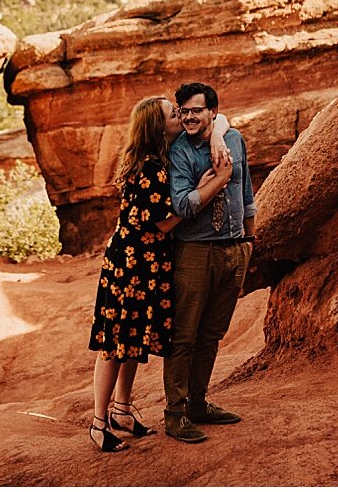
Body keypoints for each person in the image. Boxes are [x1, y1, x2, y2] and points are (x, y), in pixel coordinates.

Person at [86, 96, 233, 453]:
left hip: (144, 263)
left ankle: (122, 410)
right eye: (173, 113)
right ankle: (98, 423)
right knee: (114, 344)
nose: (180, 116)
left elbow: (222, 117)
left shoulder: (157, 159)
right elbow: (165, 223)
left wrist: (215, 139)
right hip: (133, 265)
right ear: (157, 126)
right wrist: (204, 190)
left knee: (131, 341)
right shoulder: (150, 168)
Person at [162, 81, 254, 444]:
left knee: (212, 334)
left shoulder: (232, 139)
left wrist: (250, 240)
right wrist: (220, 178)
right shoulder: (180, 152)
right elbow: (182, 205)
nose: (188, 117)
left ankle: (198, 403)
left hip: (234, 248)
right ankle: (175, 412)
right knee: (184, 335)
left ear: (213, 112)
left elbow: (246, 194)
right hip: (195, 252)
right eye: (183, 111)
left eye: (196, 110)